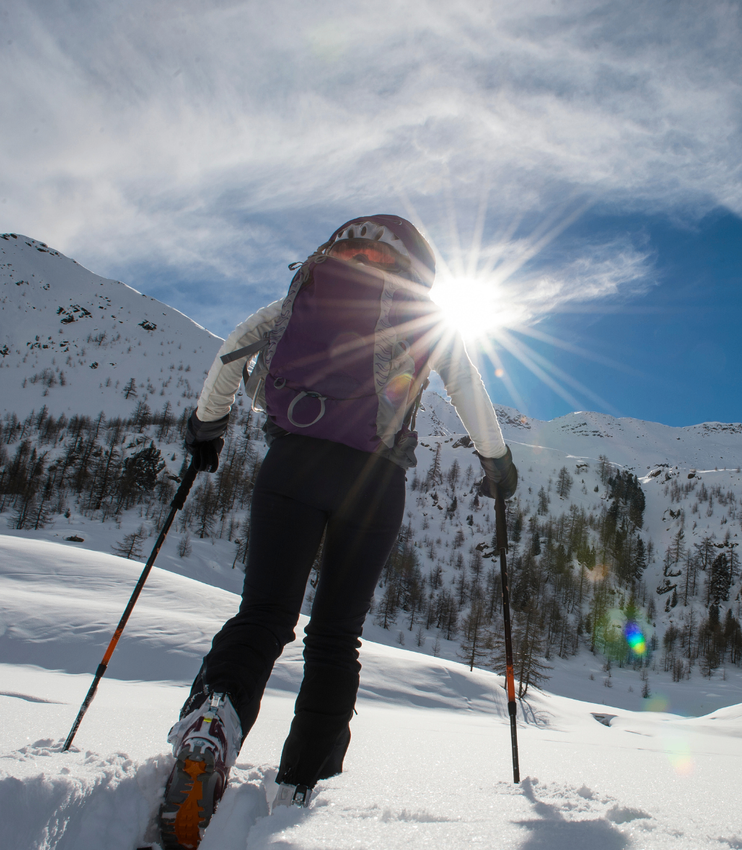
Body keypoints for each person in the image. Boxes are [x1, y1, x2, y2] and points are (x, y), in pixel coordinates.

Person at [158, 214, 518, 849]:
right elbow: (466, 383)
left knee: (265, 612)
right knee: (334, 638)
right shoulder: (421, 316)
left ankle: (213, 721)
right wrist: (496, 462)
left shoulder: (301, 296)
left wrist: (206, 429)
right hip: (375, 484)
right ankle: (304, 784)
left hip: (290, 465)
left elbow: (232, 351)